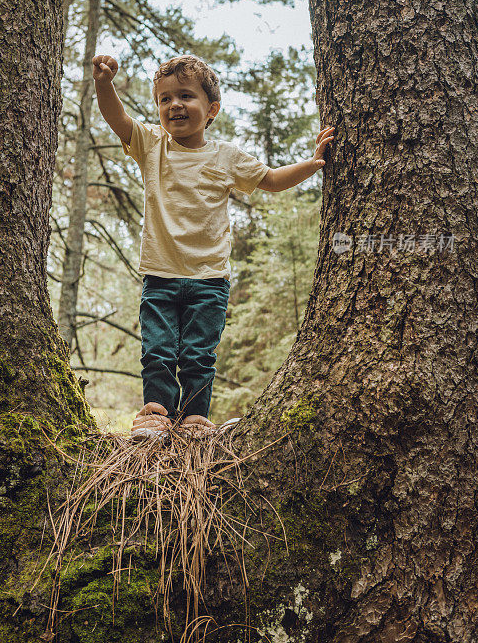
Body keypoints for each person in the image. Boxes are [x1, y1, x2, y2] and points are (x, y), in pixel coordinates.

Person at [92, 53, 334, 438]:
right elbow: (116, 119)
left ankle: (192, 418)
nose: (174, 105)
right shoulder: (152, 145)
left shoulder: (226, 157)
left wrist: (312, 164)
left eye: (185, 96)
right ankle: (156, 414)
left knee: (198, 355)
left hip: (209, 280)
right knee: (157, 350)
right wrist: (104, 84)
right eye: (164, 99)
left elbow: (270, 179)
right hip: (160, 275)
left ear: (211, 109)